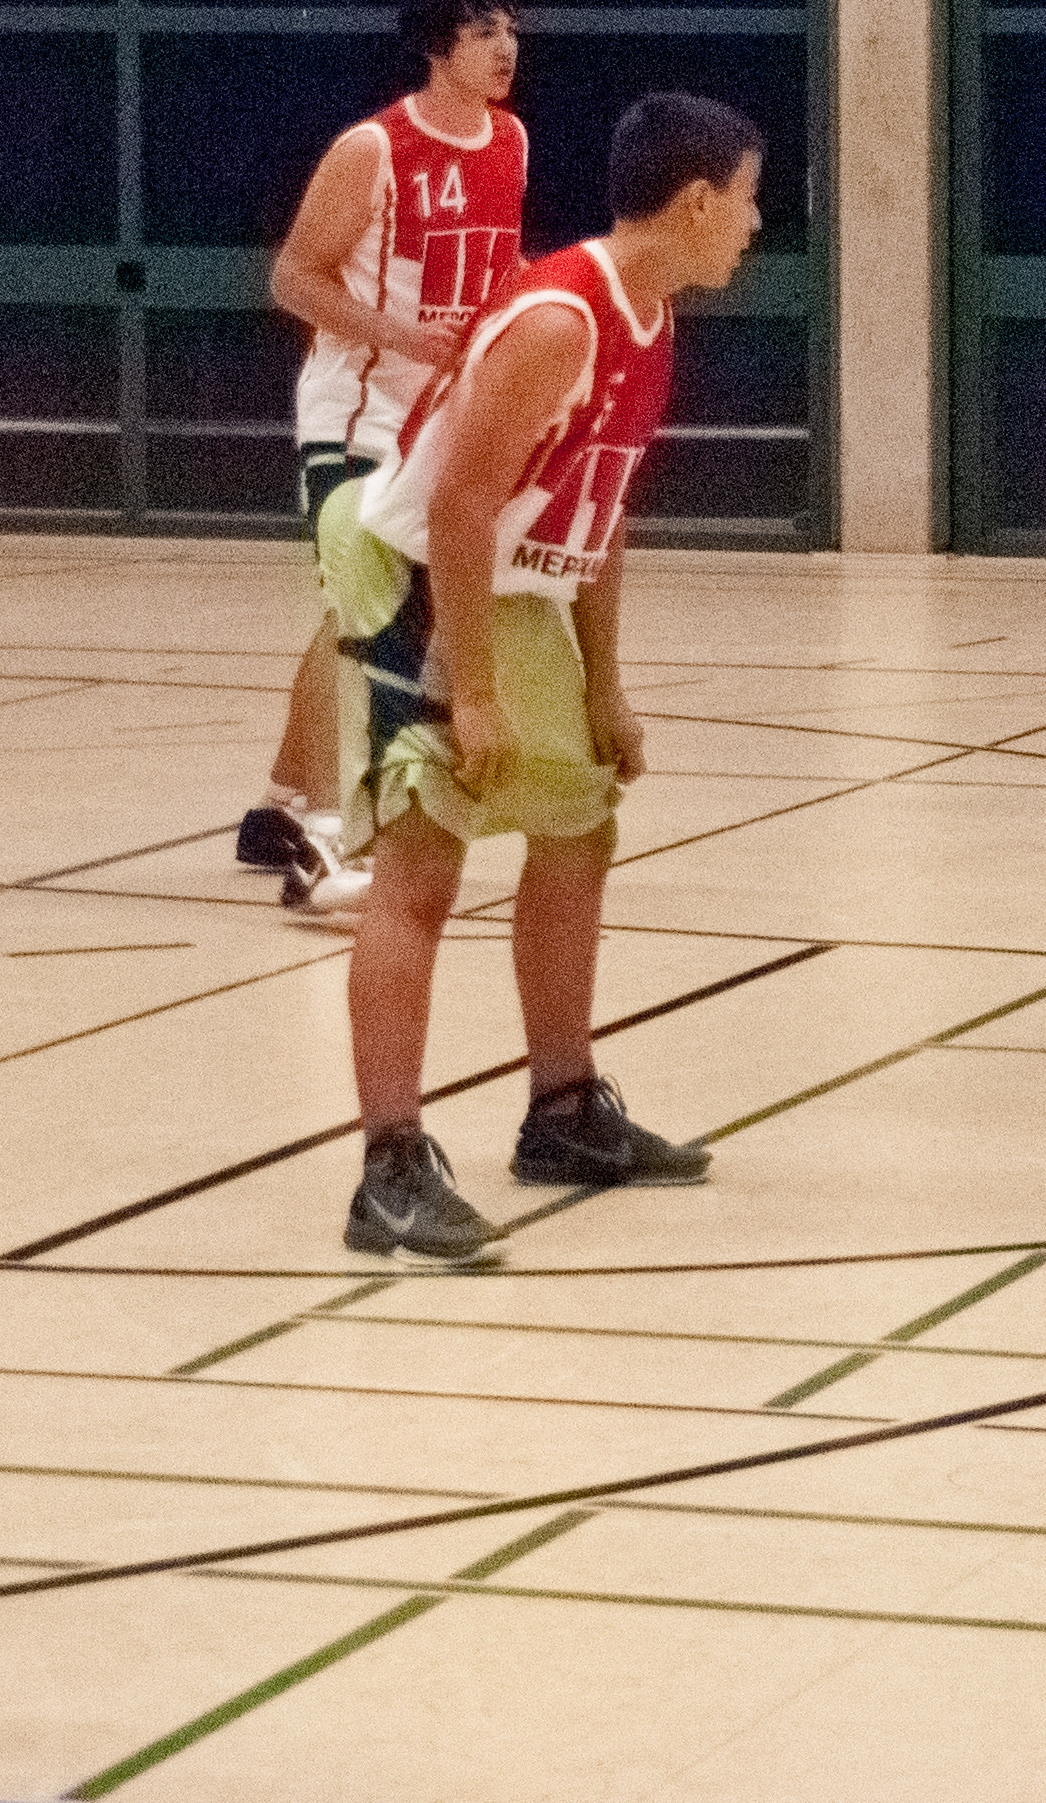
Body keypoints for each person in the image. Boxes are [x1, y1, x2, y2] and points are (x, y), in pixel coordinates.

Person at [320, 92, 761, 1260]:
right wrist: (470, 691)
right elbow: (460, 505)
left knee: (579, 825)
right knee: (423, 862)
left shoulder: (649, 320)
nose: (756, 224)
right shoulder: (561, 318)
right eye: (748, 199)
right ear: (698, 200)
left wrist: (605, 682)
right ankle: (389, 1165)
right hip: (419, 576)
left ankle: (562, 1109)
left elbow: (598, 511)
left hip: (516, 588)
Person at [239, 0, 527, 917]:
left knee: (356, 613)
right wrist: (404, 336)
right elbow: (293, 278)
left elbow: (495, 266)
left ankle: (277, 804)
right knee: (369, 613)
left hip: (440, 418)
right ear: (439, 47)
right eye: (484, 31)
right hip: (355, 418)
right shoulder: (373, 149)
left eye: (511, 29)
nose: (506, 47)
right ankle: (334, 830)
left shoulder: (511, 141)